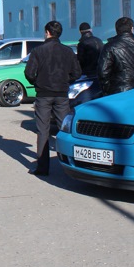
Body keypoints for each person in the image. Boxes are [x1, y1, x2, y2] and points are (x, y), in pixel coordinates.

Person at [24, 20, 82, 176]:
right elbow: (77, 73)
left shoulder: (38, 51)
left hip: (43, 94)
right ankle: (70, 164)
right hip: (62, 94)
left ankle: (43, 167)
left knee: (43, 130)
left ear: (47, 32)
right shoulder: (68, 51)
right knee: (65, 129)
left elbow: (29, 73)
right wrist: (65, 81)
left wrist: (37, 83)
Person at [98, 16, 134, 95]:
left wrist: (108, 90)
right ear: (132, 29)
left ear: (116, 30)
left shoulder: (110, 46)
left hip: (118, 92)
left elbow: (103, 72)